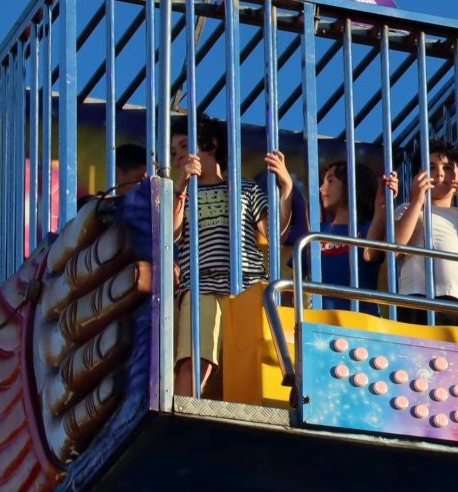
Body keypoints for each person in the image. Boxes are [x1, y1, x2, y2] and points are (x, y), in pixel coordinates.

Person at [169, 116, 290, 397]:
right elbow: (171, 234)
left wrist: (285, 188)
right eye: (174, 152)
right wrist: (180, 186)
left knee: (254, 361)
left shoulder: (244, 188)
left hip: (247, 286)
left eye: (185, 146)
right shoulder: (180, 194)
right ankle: (186, 413)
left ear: (211, 145)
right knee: (195, 358)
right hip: (201, 286)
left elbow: (273, 233)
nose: (179, 157)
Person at [392, 140, 458, 315]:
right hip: (415, 296)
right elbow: (393, 246)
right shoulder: (407, 209)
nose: (440, 174)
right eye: (431, 168)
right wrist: (417, 200)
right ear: (418, 175)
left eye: (448, 168)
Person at [313, 159, 396, 311]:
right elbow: (297, 277)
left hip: (361, 322)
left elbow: (370, 254)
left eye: (330, 181)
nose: (321, 188)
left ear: (352, 185)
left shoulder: (370, 227)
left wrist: (382, 205)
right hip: (319, 323)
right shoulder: (316, 231)